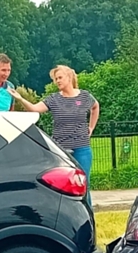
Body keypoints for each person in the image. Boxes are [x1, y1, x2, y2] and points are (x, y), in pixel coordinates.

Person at [8, 65, 99, 206]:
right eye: (55, 79)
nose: (57, 81)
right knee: (61, 185)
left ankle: (87, 214)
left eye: (60, 77)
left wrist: (91, 127)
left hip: (82, 148)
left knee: (83, 184)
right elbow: (35, 109)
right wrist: (20, 98)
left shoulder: (84, 96)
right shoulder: (54, 99)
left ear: (69, 77)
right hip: (61, 150)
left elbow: (95, 107)